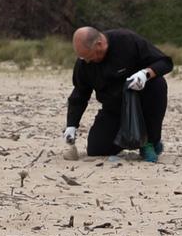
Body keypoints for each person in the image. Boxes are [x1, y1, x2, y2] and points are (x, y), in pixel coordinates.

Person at [62, 26, 173, 162]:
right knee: (96, 149)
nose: (87, 61)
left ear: (99, 44)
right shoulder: (84, 63)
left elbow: (165, 62)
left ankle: (150, 141)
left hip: (140, 102)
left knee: (157, 83)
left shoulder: (127, 40)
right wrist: (71, 125)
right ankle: (131, 139)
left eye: (89, 56)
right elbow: (80, 93)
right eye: (83, 57)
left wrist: (145, 74)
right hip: (113, 108)